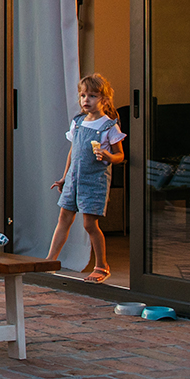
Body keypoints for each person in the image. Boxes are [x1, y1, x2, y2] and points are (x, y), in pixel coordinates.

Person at [48, 74, 126, 283]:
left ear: (105, 100)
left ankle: (102, 265)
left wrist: (109, 156)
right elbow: (72, 152)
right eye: (83, 95)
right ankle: (49, 261)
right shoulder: (79, 122)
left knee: (90, 225)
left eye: (92, 96)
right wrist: (64, 178)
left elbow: (120, 155)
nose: (86, 100)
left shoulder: (109, 126)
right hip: (73, 180)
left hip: (94, 183)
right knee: (63, 219)